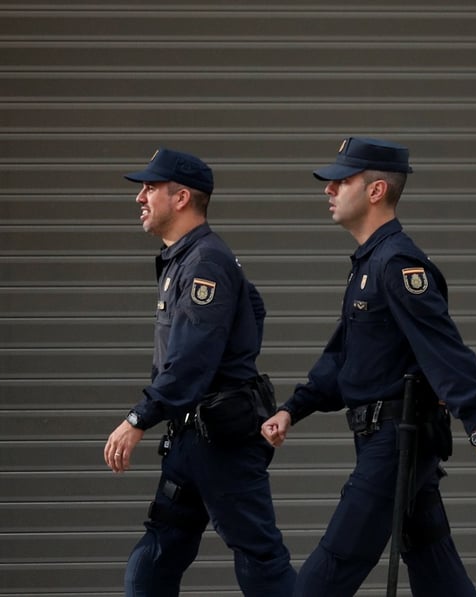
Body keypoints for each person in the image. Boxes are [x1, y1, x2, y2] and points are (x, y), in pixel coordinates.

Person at [260, 136, 476, 597]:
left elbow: (443, 350)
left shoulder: (397, 264)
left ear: (376, 190)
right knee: (438, 575)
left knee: (324, 577)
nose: (329, 190)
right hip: (390, 442)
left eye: (341, 181)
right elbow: (344, 356)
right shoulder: (369, 263)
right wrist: (292, 409)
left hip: (395, 444)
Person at [103, 148, 296, 597]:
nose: (140, 198)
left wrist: (138, 419)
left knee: (261, 562)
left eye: (151, 188)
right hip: (191, 439)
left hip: (222, 444)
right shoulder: (185, 260)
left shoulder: (206, 262)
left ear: (182, 197)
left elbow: (191, 359)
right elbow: (253, 311)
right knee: (157, 555)